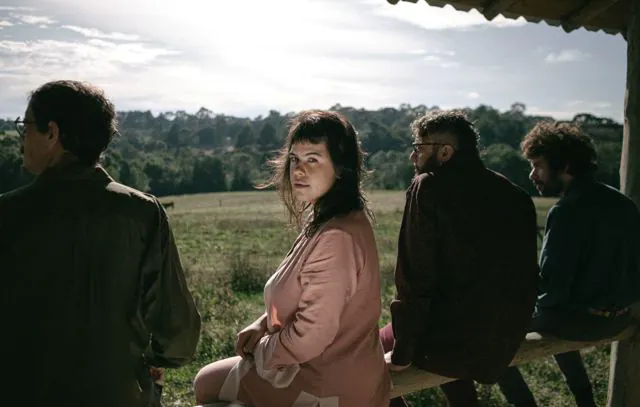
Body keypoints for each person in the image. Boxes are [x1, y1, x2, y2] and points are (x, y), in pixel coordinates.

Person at [0, 80, 202, 406]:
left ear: (52, 133)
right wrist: (144, 360)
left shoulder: (6, 215)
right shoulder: (143, 214)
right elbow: (178, 334)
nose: (21, 138)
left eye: (26, 126)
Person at [193, 110, 391, 407]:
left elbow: (311, 336)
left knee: (206, 384)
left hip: (327, 384)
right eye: (294, 159)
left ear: (340, 168)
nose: (298, 170)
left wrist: (262, 349)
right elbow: (307, 299)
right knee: (209, 379)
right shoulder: (331, 214)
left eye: (313, 159)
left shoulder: (337, 237)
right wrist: (263, 323)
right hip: (338, 367)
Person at [380, 110, 540, 407]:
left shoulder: (428, 186)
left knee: (373, 352)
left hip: (450, 346)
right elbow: (527, 276)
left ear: (444, 152)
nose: (413, 157)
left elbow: (416, 278)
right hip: (502, 343)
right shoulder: (515, 193)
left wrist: (403, 355)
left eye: (418, 148)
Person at [497, 121, 640, 407]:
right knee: (553, 310)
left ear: (564, 165)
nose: (532, 174)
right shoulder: (623, 203)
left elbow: (552, 289)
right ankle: (585, 399)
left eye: (537, 165)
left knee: (489, 334)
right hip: (619, 318)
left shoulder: (565, 212)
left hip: (578, 322)